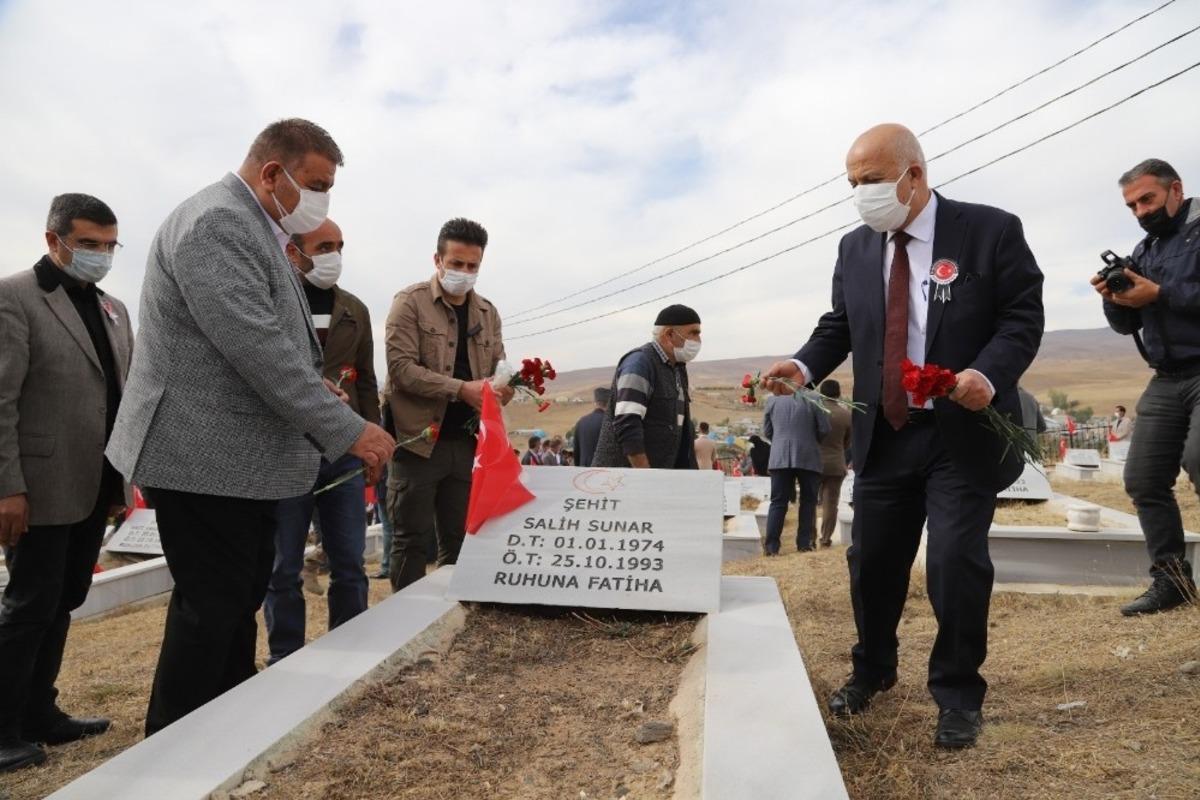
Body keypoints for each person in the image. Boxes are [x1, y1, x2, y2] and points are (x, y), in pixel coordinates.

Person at [106, 119, 396, 736]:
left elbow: (264, 345)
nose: (320, 200)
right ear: (272, 173)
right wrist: (351, 429)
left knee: (235, 605)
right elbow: (257, 347)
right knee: (211, 609)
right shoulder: (218, 223)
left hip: (236, 461)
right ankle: (176, 751)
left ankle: (222, 732)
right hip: (202, 455)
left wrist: (315, 389)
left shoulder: (250, 227)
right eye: (315, 184)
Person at [762, 123, 1043, 749]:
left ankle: (958, 692)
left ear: (914, 175)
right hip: (886, 432)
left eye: (873, 181)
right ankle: (874, 670)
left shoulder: (989, 230)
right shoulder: (856, 248)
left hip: (959, 431)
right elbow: (840, 324)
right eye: (853, 184)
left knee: (953, 563)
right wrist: (804, 365)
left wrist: (987, 375)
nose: (863, 194)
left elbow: (1023, 316)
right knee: (873, 563)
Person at [0, 195, 132, 771]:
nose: (100, 255)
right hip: (37, 484)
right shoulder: (14, 298)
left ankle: (39, 712)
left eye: (109, 245)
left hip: (95, 481)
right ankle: (3, 728)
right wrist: (7, 486)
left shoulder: (113, 309)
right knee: (29, 605)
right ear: (54, 240)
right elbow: (1, 401)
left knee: (64, 600)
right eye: (88, 244)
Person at [263, 218, 379, 664]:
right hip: (286, 450)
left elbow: (366, 382)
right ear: (293, 251)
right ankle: (285, 656)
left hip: (344, 451)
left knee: (349, 562)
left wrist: (372, 437)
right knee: (283, 567)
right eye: (324, 245)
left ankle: (348, 652)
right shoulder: (272, 303)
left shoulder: (354, 309)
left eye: (340, 246)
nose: (334, 255)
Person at [1091, 158, 1199, 616]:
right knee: (1142, 478)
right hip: (1166, 377)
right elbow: (1126, 324)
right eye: (1132, 204)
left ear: (1175, 190)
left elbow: (1166, 297)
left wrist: (1160, 293)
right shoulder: (1145, 248)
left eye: (1147, 199)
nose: (1140, 211)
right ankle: (1172, 582)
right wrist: (1113, 299)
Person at [385, 218, 511, 591]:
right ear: (437, 259)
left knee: (460, 542)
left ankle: (446, 623)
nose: (464, 272)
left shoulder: (487, 313)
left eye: (473, 266)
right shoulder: (409, 303)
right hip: (419, 443)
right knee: (410, 542)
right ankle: (403, 626)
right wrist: (461, 390)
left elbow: (498, 366)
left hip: (468, 444)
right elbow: (402, 370)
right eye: (456, 264)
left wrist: (503, 389)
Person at [591, 305, 701, 469]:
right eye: (693, 333)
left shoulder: (677, 368)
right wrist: (646, 477)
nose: (697, 340)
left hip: (659, 479)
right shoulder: (640, 363)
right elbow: (627, 423)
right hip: (624, 481)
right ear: (669, 334)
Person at [762, 393, 831, 554]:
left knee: (778, 501)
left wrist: (780, 440)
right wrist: (811, 440)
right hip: (808, 454)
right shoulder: (814, 399)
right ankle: (804, 544)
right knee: (808, 501)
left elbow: (767, 431)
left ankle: (771, 547)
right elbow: (825, 428)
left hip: (779, 456)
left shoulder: (772, 400)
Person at [817, 379, 853, 547]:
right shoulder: (846, 414)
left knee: (809, 502)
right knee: (831, 504)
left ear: (821, 393)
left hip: (813, 463)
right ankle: (825, 538)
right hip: (836, 463)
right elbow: (848, 443)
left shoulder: (815, 410)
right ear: (838, 393)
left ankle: (808, 537)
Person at [572, 388, 609, 468]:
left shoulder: (581, 422)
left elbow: (576, 452)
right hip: (605, 472)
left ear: (596, 402)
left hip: (584, 471)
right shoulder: (610, 422)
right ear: (609, 403)